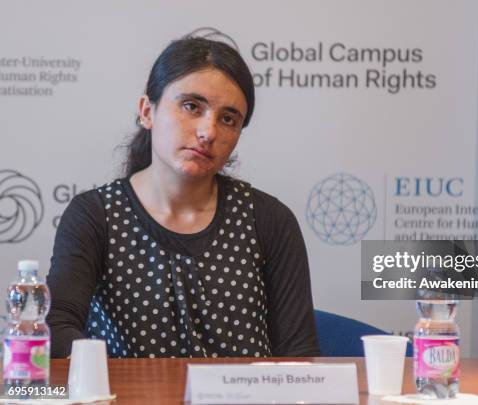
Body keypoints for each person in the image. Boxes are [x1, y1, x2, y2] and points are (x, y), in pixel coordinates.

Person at [46, 36, 320, 359]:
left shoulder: (270, 220)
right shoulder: (95, 215)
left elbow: (300, 354)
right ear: (148, 111)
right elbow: (56, 327)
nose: (208, 132)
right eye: (192, 106)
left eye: (228, 119)